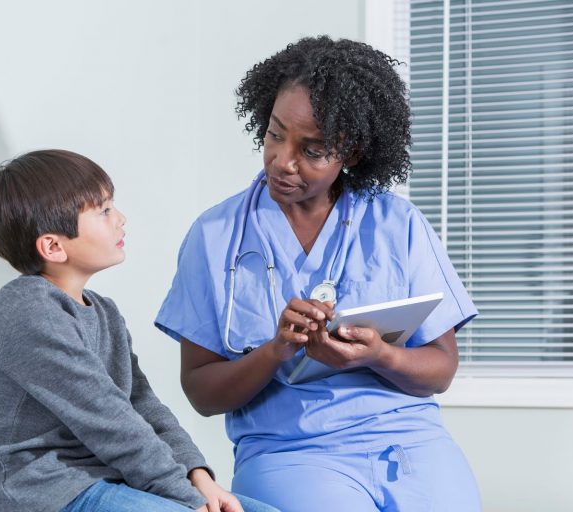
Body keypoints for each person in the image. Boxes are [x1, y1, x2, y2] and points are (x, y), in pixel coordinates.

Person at [155, 36, 481, 511]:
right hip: (290, 451)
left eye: (313, 150)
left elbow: (441, 369)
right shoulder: (215, 235)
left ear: (352, 153)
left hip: (408, 442)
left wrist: (378, 356)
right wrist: (275, 351)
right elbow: (202, 393)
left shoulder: (398, 224)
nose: (282, 161)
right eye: (275, 134)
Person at [0, 150, 279, 512]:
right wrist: (186, 498)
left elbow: (141, 405)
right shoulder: (28, 312)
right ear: (53, 246)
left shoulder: (104, 312)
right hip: (44, 491)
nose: (120, 219)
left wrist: (197, 476)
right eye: (103, 211)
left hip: (108, 476)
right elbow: (108, 421)